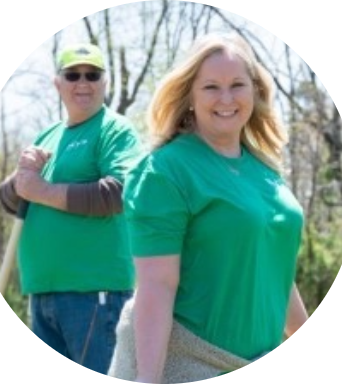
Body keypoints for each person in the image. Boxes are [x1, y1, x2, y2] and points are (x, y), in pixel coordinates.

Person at [107, 33, 309, 383]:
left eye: (237, 85)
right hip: (190, 364)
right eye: (211, 87)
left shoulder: (263, 170)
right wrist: (148, 379)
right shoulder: (164, 171)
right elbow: (156, 285)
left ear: (255, 91)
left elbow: (275, 271)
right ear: (189, 96)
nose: (226, 98)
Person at [0, 43, 141, 374]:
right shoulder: (46, 137)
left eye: (92, 74)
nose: (83, 82)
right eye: (72, 74)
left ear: (105, 82)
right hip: (42, 295)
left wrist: (42, 190)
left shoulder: (114, 130)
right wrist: (19, 181)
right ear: (57, 83)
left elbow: (120, 193)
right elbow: (13, 197)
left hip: (94, 295)